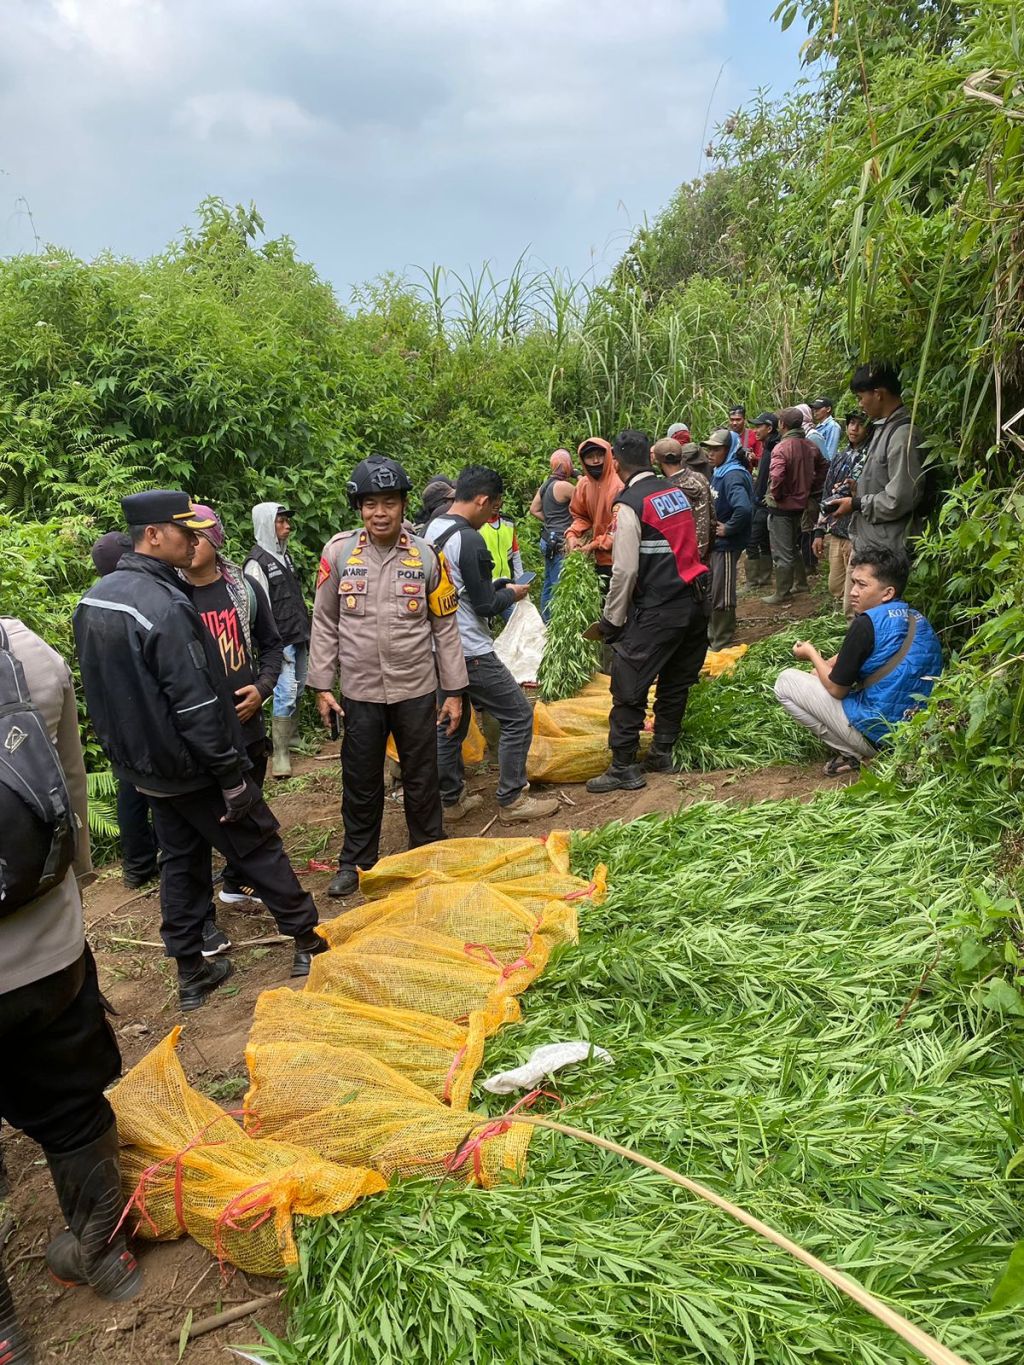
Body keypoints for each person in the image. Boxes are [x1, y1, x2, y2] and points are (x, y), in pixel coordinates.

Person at [73, 490, 326, 1010]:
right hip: (193, 764)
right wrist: (230, 774)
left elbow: (96, 695)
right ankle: (308, 941)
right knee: (257, 843)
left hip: (147, 771)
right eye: (185, 532)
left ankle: (191, 971)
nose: (196, 540)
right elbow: (192, 703)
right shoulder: (164, 605)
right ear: (154, 535)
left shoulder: (95, 598)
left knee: (181, 861)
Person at [0, 618, 141, 1358]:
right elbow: (66, 786)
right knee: (71, 1099)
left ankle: (4, 1332)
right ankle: (106, 1254)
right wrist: (76, 889)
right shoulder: (25, 651)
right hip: (45, 952)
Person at [308, 456, 468, 898]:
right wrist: (322, 685)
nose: (381, 513)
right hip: (359, 692)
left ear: (403, 506)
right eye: (371, 503)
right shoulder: (338, 553)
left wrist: (453, 692)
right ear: (358, 508)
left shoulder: (426, 556)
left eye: (390, 503)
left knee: (422, 776)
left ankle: (428, 853)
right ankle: (356, 862)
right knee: (360, 780)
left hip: (416, 690)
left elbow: (444, 627)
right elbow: (324, 622)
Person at [428, 466, 559, 824]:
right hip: (470, 649)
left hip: (439, 648)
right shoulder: (470, 539)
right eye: (493, 508)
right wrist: (512, 594)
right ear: (482, 500)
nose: (491, 517)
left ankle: (450, 800)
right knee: (517, 714)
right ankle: (513, 799)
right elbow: (486, 605)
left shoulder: (434, 528)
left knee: (450, 721)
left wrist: (494, 587)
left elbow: (464, 588)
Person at [585, 429, 710, 792]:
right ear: (651, 458)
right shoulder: (674, 491)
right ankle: (662, 750)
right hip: (695, 601)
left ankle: (623, 765)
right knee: (675, 681)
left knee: (628, 682)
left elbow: (624, 570)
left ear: (617, 463)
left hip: (660, 606)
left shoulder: (630, 503)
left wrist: (612, 620)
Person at [180, 504, 284, 939]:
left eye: (197, 536)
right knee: (194, 832)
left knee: (246, 808)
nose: (188, 545)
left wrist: (261, 688)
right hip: (197, 733)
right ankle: (200, 921)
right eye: (182, 535)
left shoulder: (242, 590)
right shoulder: (170, 595)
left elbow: (272, 648)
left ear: (215, 540)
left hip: (246, 727)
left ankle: (237, 881)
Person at [774, 547, 942, 776]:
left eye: (862, 585)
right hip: (916, 733)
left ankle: (858, 753)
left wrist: (812, 653)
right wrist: (827, 666)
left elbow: (836, 689)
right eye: (853, 583)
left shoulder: (865, 624)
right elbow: (870, 655)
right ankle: (870, 751)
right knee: (818, 677)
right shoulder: (916, 618)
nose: (853, 592)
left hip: (880, 735)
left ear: (887, 593)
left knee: (785, 682)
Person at [90, 530, 159, 889]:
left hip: (113, 715)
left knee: (128, 788)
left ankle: (137, 865)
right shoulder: (132, 604)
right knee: (153, 787)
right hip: (139, 711)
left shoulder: (92, 604)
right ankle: (155, 857)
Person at [828, 360, 926, 568]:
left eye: (861, 397)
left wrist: (856, 503)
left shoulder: (902, 435)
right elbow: (883, 481)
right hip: (872, 544)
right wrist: (856, 489)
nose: (860, 404)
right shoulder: (883, 429)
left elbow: (899, 498)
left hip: (886, 551)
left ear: (878, 394)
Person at [245, 503, 312, 780]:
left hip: (297, 634)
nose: (287, 526)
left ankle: (292, 736)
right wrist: (270, 646)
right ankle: (280, 755)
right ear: (266, 525)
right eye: (280, 522)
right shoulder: (256, 563)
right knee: (284, 692)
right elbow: (258, 610)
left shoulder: (285, 557)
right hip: (279, 641)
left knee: (298, 686)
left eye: (287, 521)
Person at [763, 408, 828, 605]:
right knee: (793, 545)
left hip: (781, 507)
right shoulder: (810, 446)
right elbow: (824, 467)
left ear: (782, 425)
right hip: (800, 505)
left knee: (782, 550)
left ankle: (783, 592)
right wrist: (810, 488)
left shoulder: (781, 448)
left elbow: (776, 476)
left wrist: (776, 494)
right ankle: (800, 583)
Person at [811, 409, 872, 618]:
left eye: (860, 424)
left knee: (852, 593)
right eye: (851, 423)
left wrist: (855, 490)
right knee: (834, 585)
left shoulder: (870, 458)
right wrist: (819, 531)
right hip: (837, 530)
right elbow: (827, 493)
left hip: (856, 532)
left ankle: (852, 628)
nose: (854, 428)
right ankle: (844, 623)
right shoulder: (840, 456)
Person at [701, 428, 753, 650]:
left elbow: (743, 508)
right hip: (718, 545)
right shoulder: (720, 471)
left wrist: (729, 528)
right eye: (709, 449)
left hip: (727, 546)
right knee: (714, 588)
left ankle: (721, 638)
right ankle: (714, 633)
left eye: (716, 449)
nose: (710, 453)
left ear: (729, 449)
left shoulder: (733, 475)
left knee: (722, 591)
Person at [565, 437, 624, 590]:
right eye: (590, 457)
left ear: (609, 455)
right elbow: (580, 516)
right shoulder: (584, 484)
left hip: (621, 559)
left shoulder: (619, 484)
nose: (596, 461)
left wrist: (592, 545)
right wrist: (572, 535)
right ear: (583, 461)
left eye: (600, 455)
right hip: (599, 560)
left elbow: (620, 529)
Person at [529, 449, 576, 621]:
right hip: (560, 541)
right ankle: (557, 625)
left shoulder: (546, 485)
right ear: (566, 466)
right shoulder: (564, 486)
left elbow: (533, 509)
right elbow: (586, 499)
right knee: (559, 585)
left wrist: (549, 520)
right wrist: (578, 476)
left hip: (547, 538)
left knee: (548, 584)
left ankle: (546, 622)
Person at [651, 438, 713, 562]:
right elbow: (712, 516)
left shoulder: (665, 490)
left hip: (682, 559)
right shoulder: (700, 478)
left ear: (659, 463)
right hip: (705, 554)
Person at [745, 413, 780, 589]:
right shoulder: (768, 446)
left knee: (752, 540)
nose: (755, 430)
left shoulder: (774, 447)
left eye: (759, 426)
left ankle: (753, 581)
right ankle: (764, 577)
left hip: (764, 502)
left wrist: (766, 496)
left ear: (769, 428)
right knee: (764, 540)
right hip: (762, 500)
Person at [480, 509, 524, 624]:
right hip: (487, 585)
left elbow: (515, 554)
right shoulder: (477, 525)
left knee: (517, 622)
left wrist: (520, 581)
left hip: (506, 585)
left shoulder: (507, 523)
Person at [807, 396, 841, 463]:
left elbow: (830, 455)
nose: (815, 411)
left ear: (828, 409)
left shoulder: (833, 427)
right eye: (814, 409)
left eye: (818, 408)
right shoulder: (818, 426)